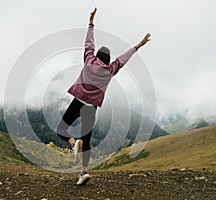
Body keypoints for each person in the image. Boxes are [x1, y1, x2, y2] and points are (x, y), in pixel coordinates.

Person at [56, 7, 151, 185]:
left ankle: (71, 142)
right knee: (87, 141)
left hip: (77, 102)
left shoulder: (89, 60)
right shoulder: (111, 70)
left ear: (96, 55)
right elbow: (123, 58)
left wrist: (91, 23)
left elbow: (88, 43)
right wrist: (138, 45)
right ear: (108, 61)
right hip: (91, 108)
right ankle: (83, 172)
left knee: (61, 130)